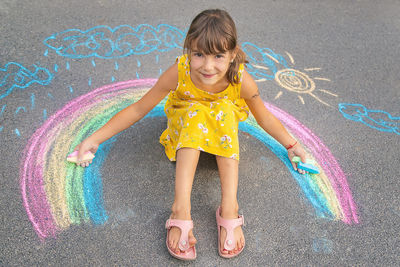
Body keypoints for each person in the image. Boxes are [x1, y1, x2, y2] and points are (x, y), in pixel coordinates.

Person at [73, 9, 308, 260]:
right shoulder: (180, 71)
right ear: (188, 50)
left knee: (224, 111)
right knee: (197, 113)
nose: (208, 66)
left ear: (233, 54)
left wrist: (291, 144)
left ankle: (230, 207)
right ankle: (180, 209)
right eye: (199, 55)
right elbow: (140, 108)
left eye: (218, 56)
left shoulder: (240, 79)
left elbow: (264, 117)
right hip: (185, 132)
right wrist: (95, 138)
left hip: (222, 134)